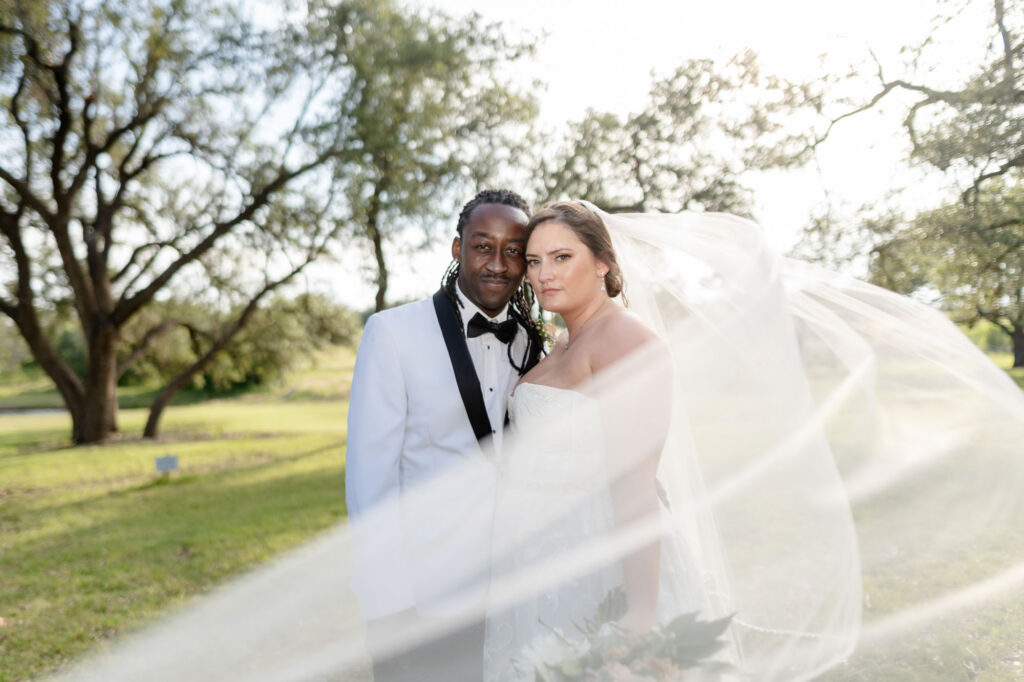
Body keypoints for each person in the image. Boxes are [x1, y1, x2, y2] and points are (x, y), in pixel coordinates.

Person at [344, 188, 545, 682]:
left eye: (513, 250)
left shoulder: (532, 342)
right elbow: (371, 479)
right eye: (482, 245)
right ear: (457, 249)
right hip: (424, 592)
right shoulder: (393, 332)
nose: (498, 262)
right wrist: (388, 602)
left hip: (514, 587)